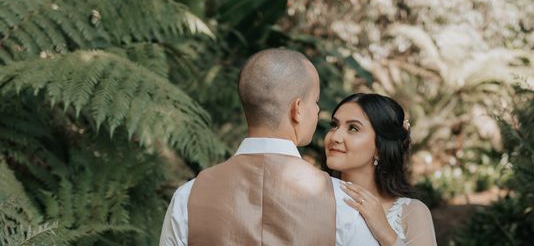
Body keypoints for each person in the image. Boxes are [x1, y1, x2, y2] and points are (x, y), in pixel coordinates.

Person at [159, 48, 377, 246]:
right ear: (297, 109)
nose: (318, 111)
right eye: (316, 101)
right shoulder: (343, 202)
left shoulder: (188, 196)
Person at [325, 93, 438, 246]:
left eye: (353, 128)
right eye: (334, 125)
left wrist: (385, 232)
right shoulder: (312, 197)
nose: (335, 137)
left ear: (380, 147)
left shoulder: (411, 212)